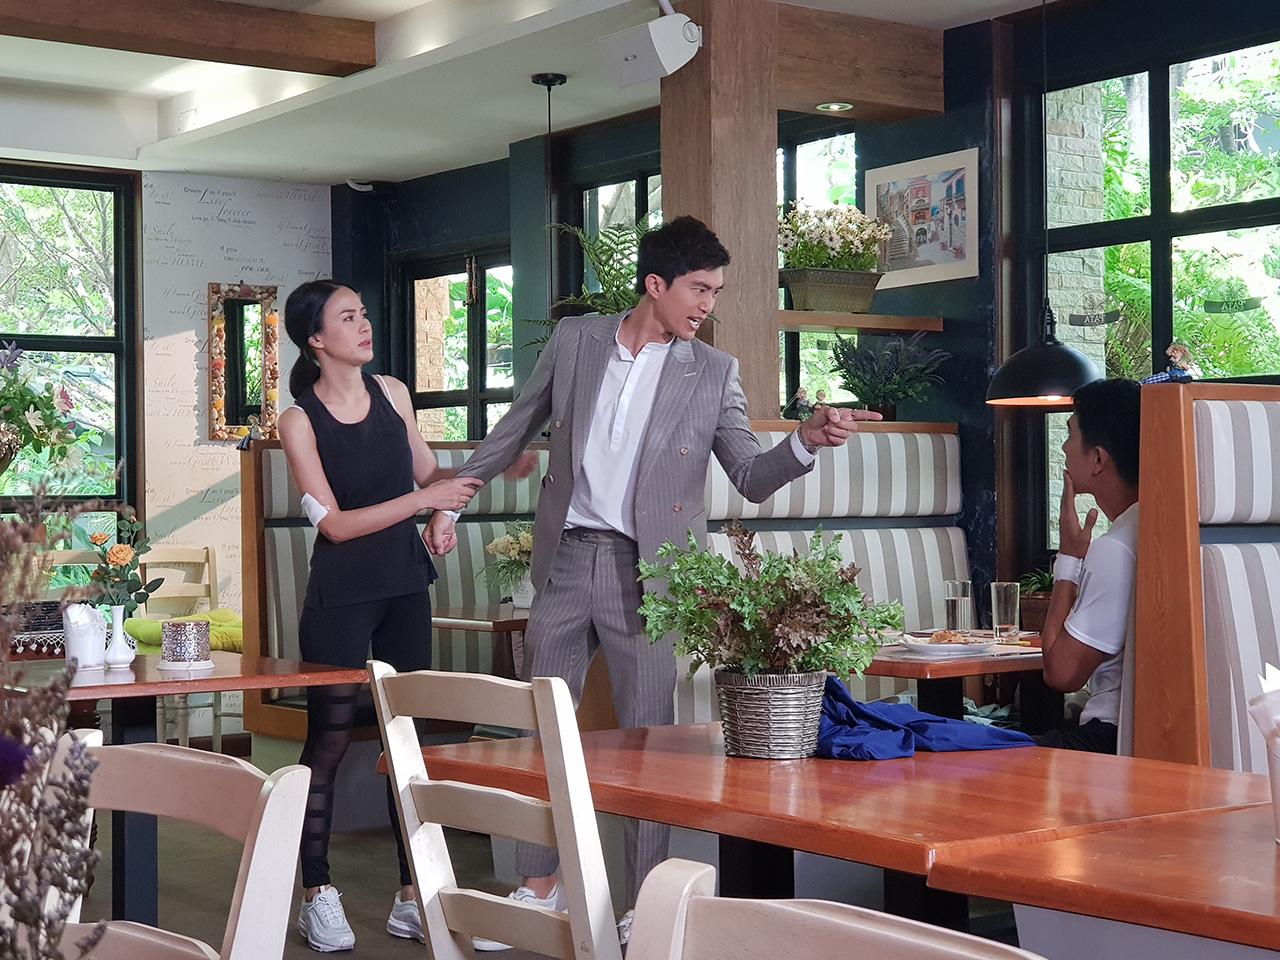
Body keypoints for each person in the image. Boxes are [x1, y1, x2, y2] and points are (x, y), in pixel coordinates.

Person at [425, 216, 878, 948]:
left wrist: (804, 441)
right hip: (566, 559)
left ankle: (644, 903)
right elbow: (518, 424)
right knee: (542, 727)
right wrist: (455, 496)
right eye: (698, 289)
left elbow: (750, 475)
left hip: (651, 573)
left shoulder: (714, 371)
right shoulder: (577, 341)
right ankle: (540, 885)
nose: (708, 304)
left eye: (716, 291)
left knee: (647, 745)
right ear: (655, 285)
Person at [277, 280, 531, 952]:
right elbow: (333, 525)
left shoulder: (393, 393)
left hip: (404, 585)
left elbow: (428, 476)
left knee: (406, 744)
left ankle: (412, 895)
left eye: (364, 313)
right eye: (348, 317)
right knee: (329, 742)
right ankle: (317, 894)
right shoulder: (298, 420)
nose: (364, 324)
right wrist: (423, 505)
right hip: (340, 595)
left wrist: (460, 497)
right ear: (315, 338)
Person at [1035, 378, 1141, 755]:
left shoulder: (1115, 549)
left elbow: (1061, 673)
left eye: (1070, 435)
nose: (1064, 448)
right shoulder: (1151, 527)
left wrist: (1069, 558)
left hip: (1108, 742)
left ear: (1097, 459)